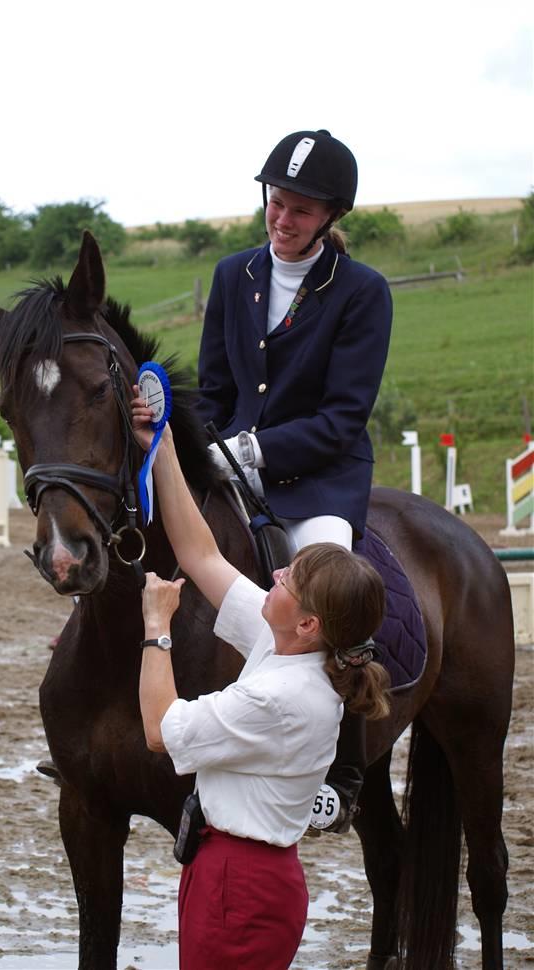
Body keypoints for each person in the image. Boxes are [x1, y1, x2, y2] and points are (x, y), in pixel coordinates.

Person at [130, 408, 390, 970]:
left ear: (308, 624)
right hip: (229, 871)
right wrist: (165, 448)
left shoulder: (281, 699)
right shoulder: (290, 646)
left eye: (289, 581)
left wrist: (157, 629)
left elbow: (159, 731)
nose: (275, 575)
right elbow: (201, 556)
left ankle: (346, 787)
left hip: (239, 886)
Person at [194, 129, 393, 830]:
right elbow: (214, 391)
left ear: (332, 216)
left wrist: (251, 451)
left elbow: (343, 417)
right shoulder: (232, 275)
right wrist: (180, 429)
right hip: (230, 465)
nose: (283, 220)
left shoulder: (362, 292)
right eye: (277, 202)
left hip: (318, 477)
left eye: (301, 211)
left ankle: (339, 777)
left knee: (333, 583)